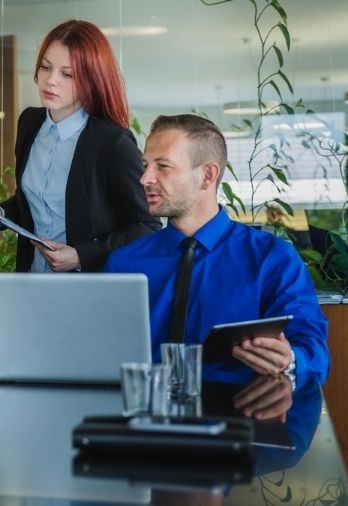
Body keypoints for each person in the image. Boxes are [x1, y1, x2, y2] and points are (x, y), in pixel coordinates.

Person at [105, 114, 329, 384]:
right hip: (146, 407)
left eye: (162, 166)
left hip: (241, 406)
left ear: (207, 175)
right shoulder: (123, 263)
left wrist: (290, 359)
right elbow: (101, 351)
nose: (145, 178)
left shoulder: (271, 258)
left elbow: (315, 354)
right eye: (145, 166)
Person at [0, 19, 159, 272]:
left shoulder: (112, 142)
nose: (51, 80)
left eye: (67, 74)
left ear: (91, 79)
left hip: (87, 285)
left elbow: (148, 225)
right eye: (46, 67)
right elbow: (33, 204)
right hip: (33, 277)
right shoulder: (30, 123)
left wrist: (81, 255)